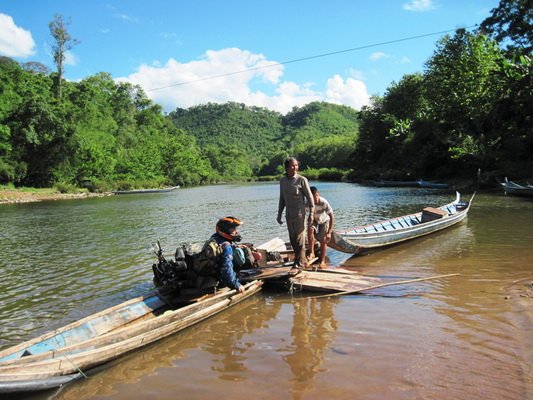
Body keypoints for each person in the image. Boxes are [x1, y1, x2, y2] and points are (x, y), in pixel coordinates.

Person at [277, 157, 314, 268]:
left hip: (299, 214)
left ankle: (300, 261)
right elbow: (282, 199)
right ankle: (299, 259)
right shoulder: (282, 181)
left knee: (300, 238)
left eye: (296, 165)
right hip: (289, 214)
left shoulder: (302, 180)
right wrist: (279, 214)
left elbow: (310, 198)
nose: (295, 168)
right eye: (292, 166)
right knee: (292, 238)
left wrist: (311, 213)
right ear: (287, 167)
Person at [210, 216, 246, 293]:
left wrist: (234, 246)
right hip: (219, 278)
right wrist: (236, 285)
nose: (236, 232)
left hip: (210, 273)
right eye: (233, 229)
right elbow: (226, 269)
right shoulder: (227, 247)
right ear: (225, 230)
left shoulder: (214, 238)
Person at [308, 186, 335, 268]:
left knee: (323, 240)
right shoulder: (307, 203)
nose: (315, 199)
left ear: (318, 194)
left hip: (324, 220)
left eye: (316, 196)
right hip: (314, 220)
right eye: (312, 197)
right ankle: (311, 253)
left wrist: (329, 232)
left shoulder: (324, 202)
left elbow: (332, 216)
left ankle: (322, 261)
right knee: (310, 230)